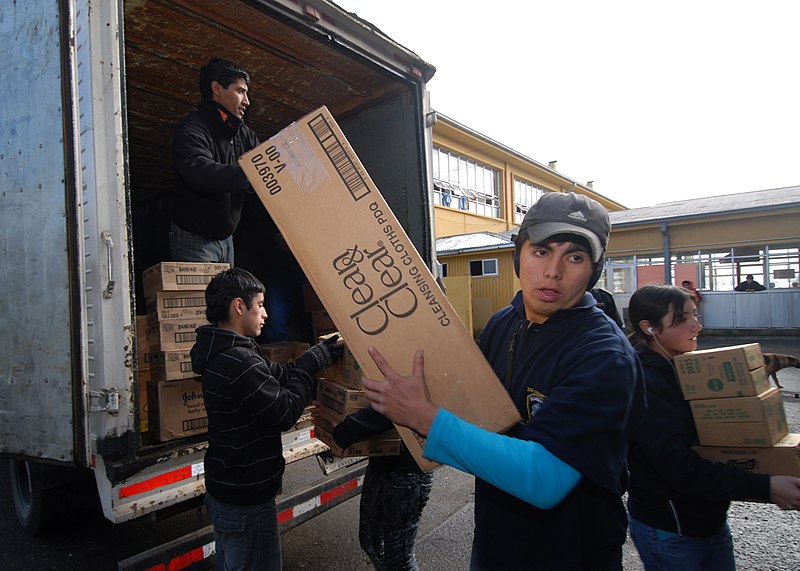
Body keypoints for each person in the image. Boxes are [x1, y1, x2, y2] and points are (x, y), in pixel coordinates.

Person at [362, 192, 647, 570]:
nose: (554, 272)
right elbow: (478, 412)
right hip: (496, 541)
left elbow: (546, 479)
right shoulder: (503, 324)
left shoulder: (603, 356)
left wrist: (425, 417)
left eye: (575, 257)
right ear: (519, 254)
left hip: (570, 554)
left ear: (594, 270)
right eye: (542, 251)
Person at [625, 283, 800, 570]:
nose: (697, 325)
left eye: (695, 314)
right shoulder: (645, 382)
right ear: (650, 327)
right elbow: (680, 467)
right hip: (672, 529)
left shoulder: (685, 367)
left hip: (709, 518)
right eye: (683, 319)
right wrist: (765, 486)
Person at [191, 268, 343, 570]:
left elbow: (279, 376)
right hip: (245, 499)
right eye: (260, 305)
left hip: (230, 488)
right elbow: (285, 412)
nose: (266, 314)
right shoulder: (238, 361)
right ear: (239, 306)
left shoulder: (229, 352)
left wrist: (313, 359)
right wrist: (308, 367)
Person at [170, 57, 260, 265]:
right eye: (240, 91)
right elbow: (200, 171)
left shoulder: (245, 135)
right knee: (204, 298)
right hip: (194, 238)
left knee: (224, 298)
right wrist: (250, 175)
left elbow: (265, 167)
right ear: (217, 89)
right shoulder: (192, 130)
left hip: (226, 238)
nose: (247, 101)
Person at [330, 406, 433, 571]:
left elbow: (394, 405)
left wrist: (344, 432)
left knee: (399, 562)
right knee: (371, 542)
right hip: (382, 463)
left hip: (409, 471)